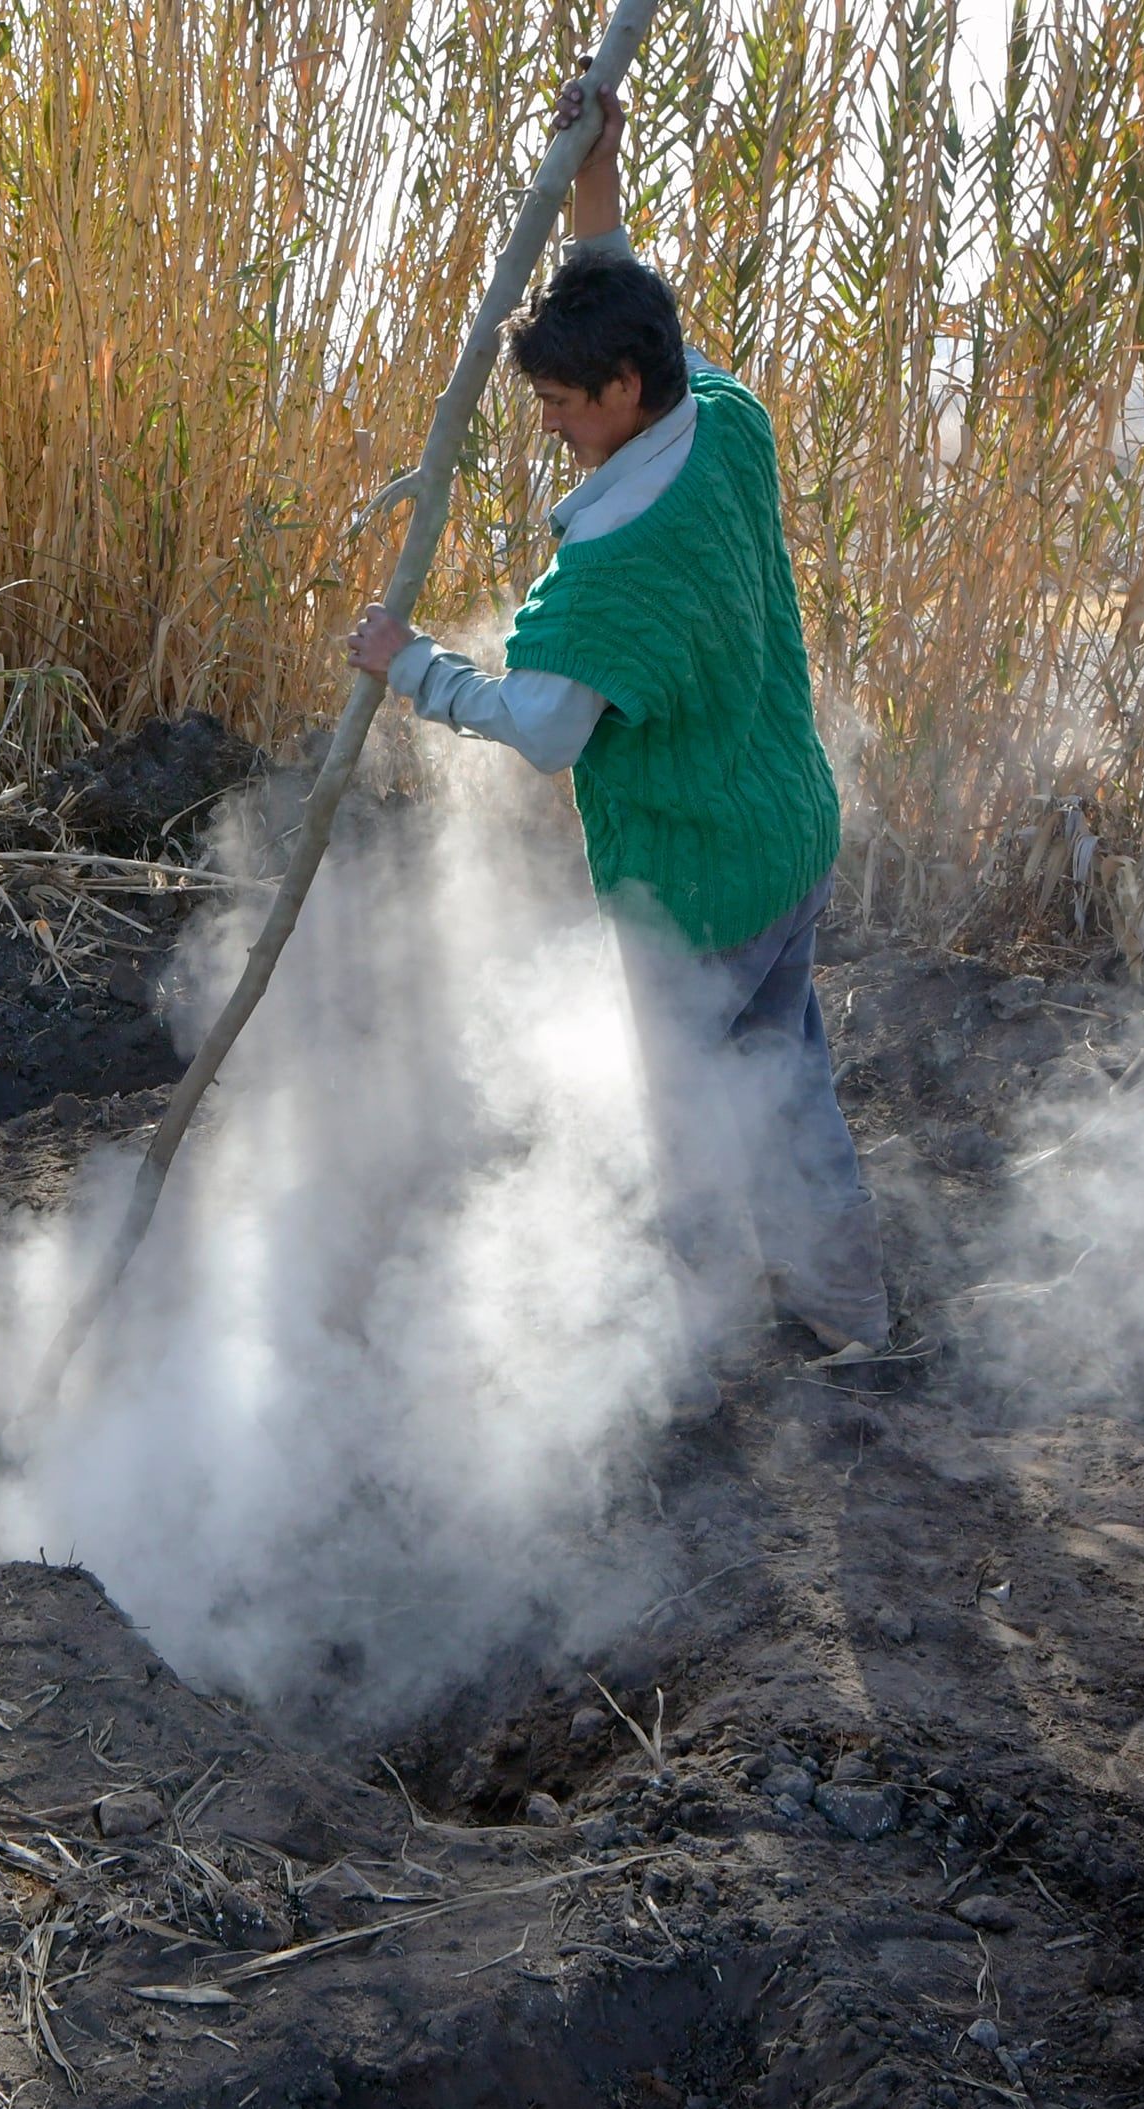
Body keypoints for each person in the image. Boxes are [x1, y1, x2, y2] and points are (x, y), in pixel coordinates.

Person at [345, 70, 892, 1366]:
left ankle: (694, 1363)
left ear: (622, 393)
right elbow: (620, 281)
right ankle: (851, 1316)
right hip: (785, 834)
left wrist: (406, 664)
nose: (545, 424)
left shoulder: (613, 569)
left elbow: (542, 730)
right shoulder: (723, 420)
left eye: (558, 405)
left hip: (697, 886)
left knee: (691, 1125)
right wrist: (596, 167)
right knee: (784, 1080)